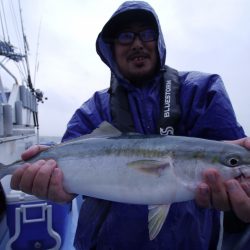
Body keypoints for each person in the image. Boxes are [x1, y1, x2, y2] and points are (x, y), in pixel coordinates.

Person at [11, 1, 250, 250]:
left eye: (147, 34)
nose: (137, 43)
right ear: (111, 48)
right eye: (126, 36)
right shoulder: (92, 110)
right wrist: (56, 188)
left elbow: (232, 161)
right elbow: (66, 173)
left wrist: (238, 169)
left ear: (159, 41)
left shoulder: (202, 92)